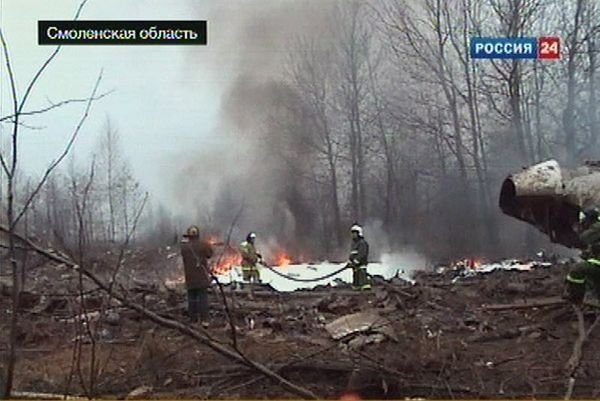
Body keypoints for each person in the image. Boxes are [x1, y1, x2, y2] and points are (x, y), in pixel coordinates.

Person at [564, 208, 600, 305]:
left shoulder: (597, 227)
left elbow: (585, 238)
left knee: (577, 270)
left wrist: (579, 230)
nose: (581, 221)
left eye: (583, 219)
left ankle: (576, 298)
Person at [180, 225, 214, 327]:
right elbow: (209, 254)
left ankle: (193, 321)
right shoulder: (203, 244)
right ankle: (205, 321)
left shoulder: (184, 247)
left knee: (192, 300)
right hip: (201, 277)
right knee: (203, 299)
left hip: (189, 277)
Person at [348, 223, 370, 291]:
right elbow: (352, 253)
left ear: (359, 233)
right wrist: (350, 260)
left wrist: (356, 261)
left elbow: (362, 254)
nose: (353, 235)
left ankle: (365, 289)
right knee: (356, 276)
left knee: (362, 275)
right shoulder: (354, 243)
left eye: (355, 233)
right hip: (355, 265)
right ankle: (356, 286)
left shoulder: (362, 243)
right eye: (352, 233)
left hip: (361, 264)